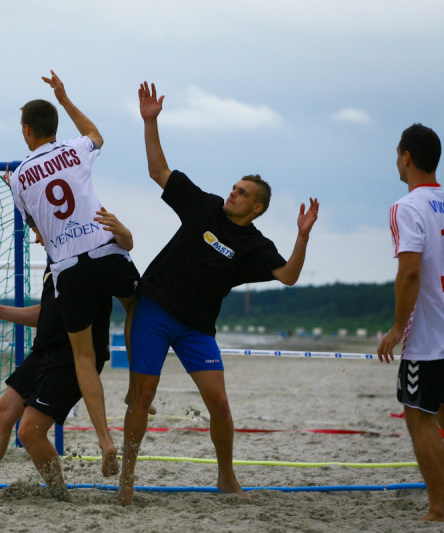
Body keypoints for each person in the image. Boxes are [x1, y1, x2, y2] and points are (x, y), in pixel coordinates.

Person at [118, 82, 320, 506]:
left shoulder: (255, 245)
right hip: (154, 308)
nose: (233, 193)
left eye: (243, 193)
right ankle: (127, 478)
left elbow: (288, 276)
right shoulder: (203, 205)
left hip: (196, 328)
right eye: (234, 187)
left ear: (257, 208)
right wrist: (151, 122)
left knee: (220, 405)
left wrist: (302, 237)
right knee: (142, 396)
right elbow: (158, 171)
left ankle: (226, 477)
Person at [9, 70, 140, 475]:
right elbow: (97, 133)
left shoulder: (17, 176)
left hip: (67, 266)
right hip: (103, 248)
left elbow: (36, 227)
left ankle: (104, 440)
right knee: (138, 306)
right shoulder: (76, 148)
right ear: (56, 126)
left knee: (83, 356)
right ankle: (137, 390)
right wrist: (65, 98)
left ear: (27, 130)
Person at [0, 208, 133, 499]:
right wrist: (0, 311)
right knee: (0, 414)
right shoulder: (56, 261)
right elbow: (47, 314)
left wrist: (124, 232)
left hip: (73, 359)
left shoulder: (89, 255)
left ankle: (58, 493)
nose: (36, 239)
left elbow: (124, 245)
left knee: (29, 431)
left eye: (37, 231)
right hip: (44, 350)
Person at [377, 124, 444, 522]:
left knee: (418, 416)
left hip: (428, 339)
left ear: (406, 157)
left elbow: (410, 274)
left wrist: (397, 328)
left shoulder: (407, 207)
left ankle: (438, 508)